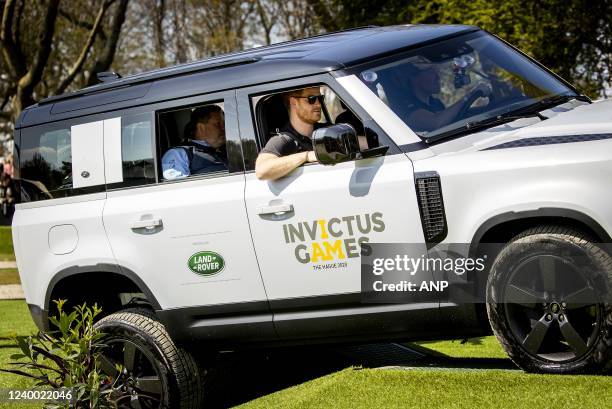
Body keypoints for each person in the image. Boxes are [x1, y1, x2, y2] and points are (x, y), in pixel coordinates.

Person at [399, 64, 492, 133]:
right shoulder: (405, 107)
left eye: (437, 72)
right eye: (431, 71)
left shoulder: (436, 102)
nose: (437, 77)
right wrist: (470, 95)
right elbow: (435, 123)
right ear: (413, 78)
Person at [255, 87, 323, 181]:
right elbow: (261, 171)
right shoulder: (283, 139)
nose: (318, 104)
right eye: (311, 99)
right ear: (293, 102)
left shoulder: (328, 130)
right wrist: (306, 156)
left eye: (320, 98)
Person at [162, 105, 227, 180]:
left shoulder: (230, 148)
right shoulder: (179, 154)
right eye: (218, 124)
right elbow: (178, 189)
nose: (223, 128)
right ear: (201, 128)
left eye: (224, 124)